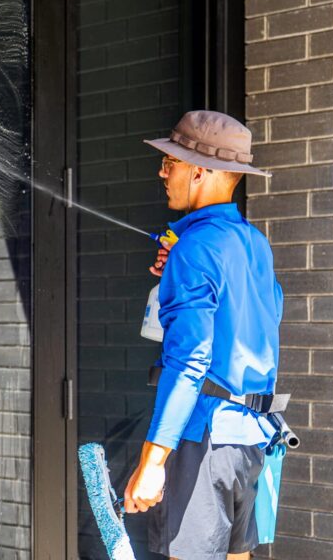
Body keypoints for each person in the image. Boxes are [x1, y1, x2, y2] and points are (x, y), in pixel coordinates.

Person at [123, 111, 283, 560]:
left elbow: (189, 360)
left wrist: (153, 462)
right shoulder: (255, 244)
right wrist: (177, 268)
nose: (162, 172)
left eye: (169, 162)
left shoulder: (194, 249)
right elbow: (266, 316)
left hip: (205, 440)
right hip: (251, 438)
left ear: (198, 172)